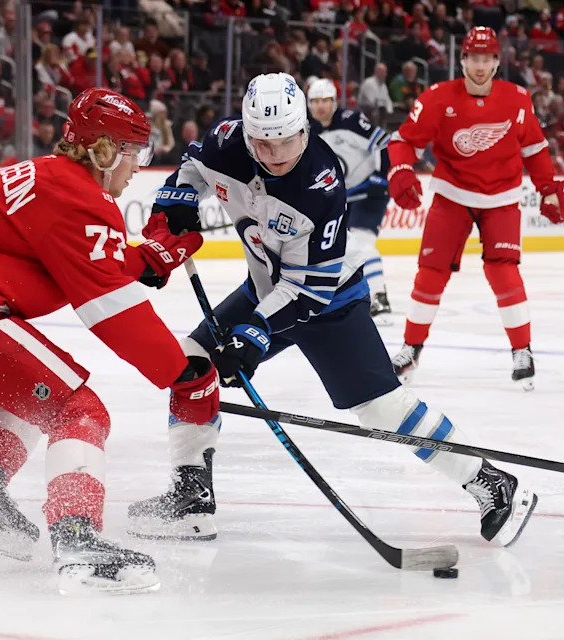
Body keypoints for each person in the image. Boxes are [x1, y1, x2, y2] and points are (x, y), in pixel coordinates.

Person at [127, 73, 537, 549]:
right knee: (190, 363)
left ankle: (490, 483)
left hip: (328, 302)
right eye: (264, 143)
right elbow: (193, 168)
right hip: (262, 288)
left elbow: (308, 289)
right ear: (246, 132)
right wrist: (175, 204)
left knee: (381, 409)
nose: (277, 154)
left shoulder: (319, 185)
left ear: (304, 128)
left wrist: (254, 333)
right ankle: (191, 497)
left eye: (288, 140)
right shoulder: (226, 141)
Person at [0, 88, 216, 596]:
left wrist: (150, 258)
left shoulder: (51, 178)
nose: (138, 167)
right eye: (134, 153)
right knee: (80, 409)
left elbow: (84, 262)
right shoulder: (80, 197)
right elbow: (109, 309)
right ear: (104, 151)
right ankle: (77, 539)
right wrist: (181, 371)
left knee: (34, 393)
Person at [386, 27, 564, 389]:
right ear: (463, 60)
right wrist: (401, 169)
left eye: (487, 59)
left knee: (504, 272)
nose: (481, 66)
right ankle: (411, 347)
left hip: (501, 199)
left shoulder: (518, 99)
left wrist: (548, 188)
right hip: (453, 194)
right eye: (474, 58)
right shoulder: (438, 98)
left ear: (497, 62)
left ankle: (522, 351)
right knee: (431, 272)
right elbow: (404, 140)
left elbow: (534, 148)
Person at [307, 78, 394, 323]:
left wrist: (381, 176)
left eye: (325, 100)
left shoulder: (351, 120)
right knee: (342, 248)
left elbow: (384, 143)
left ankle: (380, 298)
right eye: (315, 101)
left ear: (334, 101)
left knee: (363, 240)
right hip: (343, 198)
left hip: (369, 192)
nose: (321, 106)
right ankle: (353, 296)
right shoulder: (309, 132)